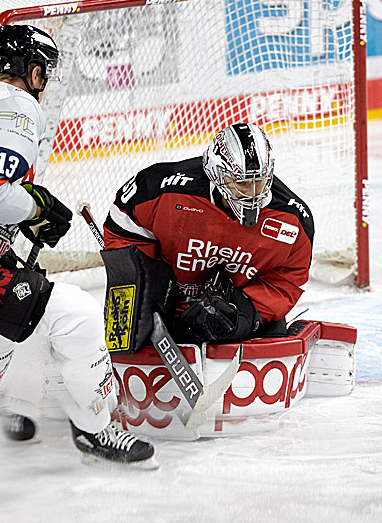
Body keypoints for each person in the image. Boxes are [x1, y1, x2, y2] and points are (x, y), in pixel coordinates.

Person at [0, 23, 157, 468]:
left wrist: (18, 224)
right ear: (33, 71)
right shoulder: (16, 105)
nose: (45, 82)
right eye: (44, 71)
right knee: (78, 316)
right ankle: (95, 430)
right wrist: (36, 206)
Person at [100, 122, 314, 354]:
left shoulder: (293, 219)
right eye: (242, 183)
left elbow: (287, 281)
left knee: (266, 333)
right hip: (167, 298)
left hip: (230, 307)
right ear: (217, 173)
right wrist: (145, 287)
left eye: (259, 181)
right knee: (126, 331)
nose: (253, 193)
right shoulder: (162, 188)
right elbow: (123, 226)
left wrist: (245, 311)